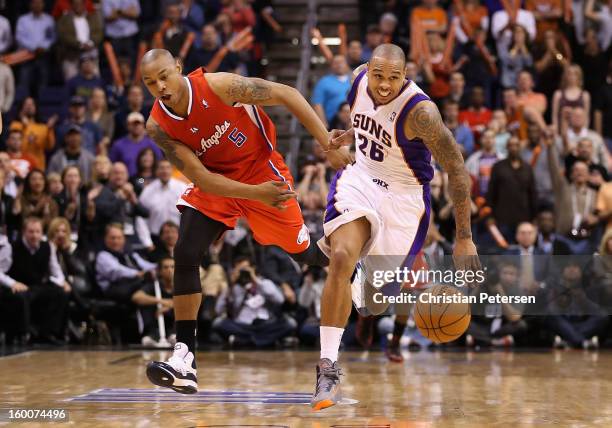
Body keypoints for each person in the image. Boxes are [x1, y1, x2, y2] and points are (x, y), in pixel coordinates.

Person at [139, 48, 350, 394]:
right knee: (186, 252)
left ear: (178, 67)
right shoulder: (157, 126)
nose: (160, 86)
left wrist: (327, 142)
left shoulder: (219, 85)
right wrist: (255, 196)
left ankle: (348, 265)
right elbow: (201, 178)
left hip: (261, 170)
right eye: (150, 83)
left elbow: (287, 93)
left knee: (301, 252)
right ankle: (184, 357)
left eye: (164, 76)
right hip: (217, 182)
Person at [312, 44, 479, 410]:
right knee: (341, 256)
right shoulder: (356, 80)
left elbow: (456, 167)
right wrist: (350, 137)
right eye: (378, 75)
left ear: (406, 76)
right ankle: (327, 367)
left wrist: (464, 237)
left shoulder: (421, 113)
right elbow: (366, 123)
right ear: (368, 70)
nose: (384, 85)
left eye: (393, 78)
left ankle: (367, 310)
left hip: (405, 199)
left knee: (376, 301)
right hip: (361, 178)